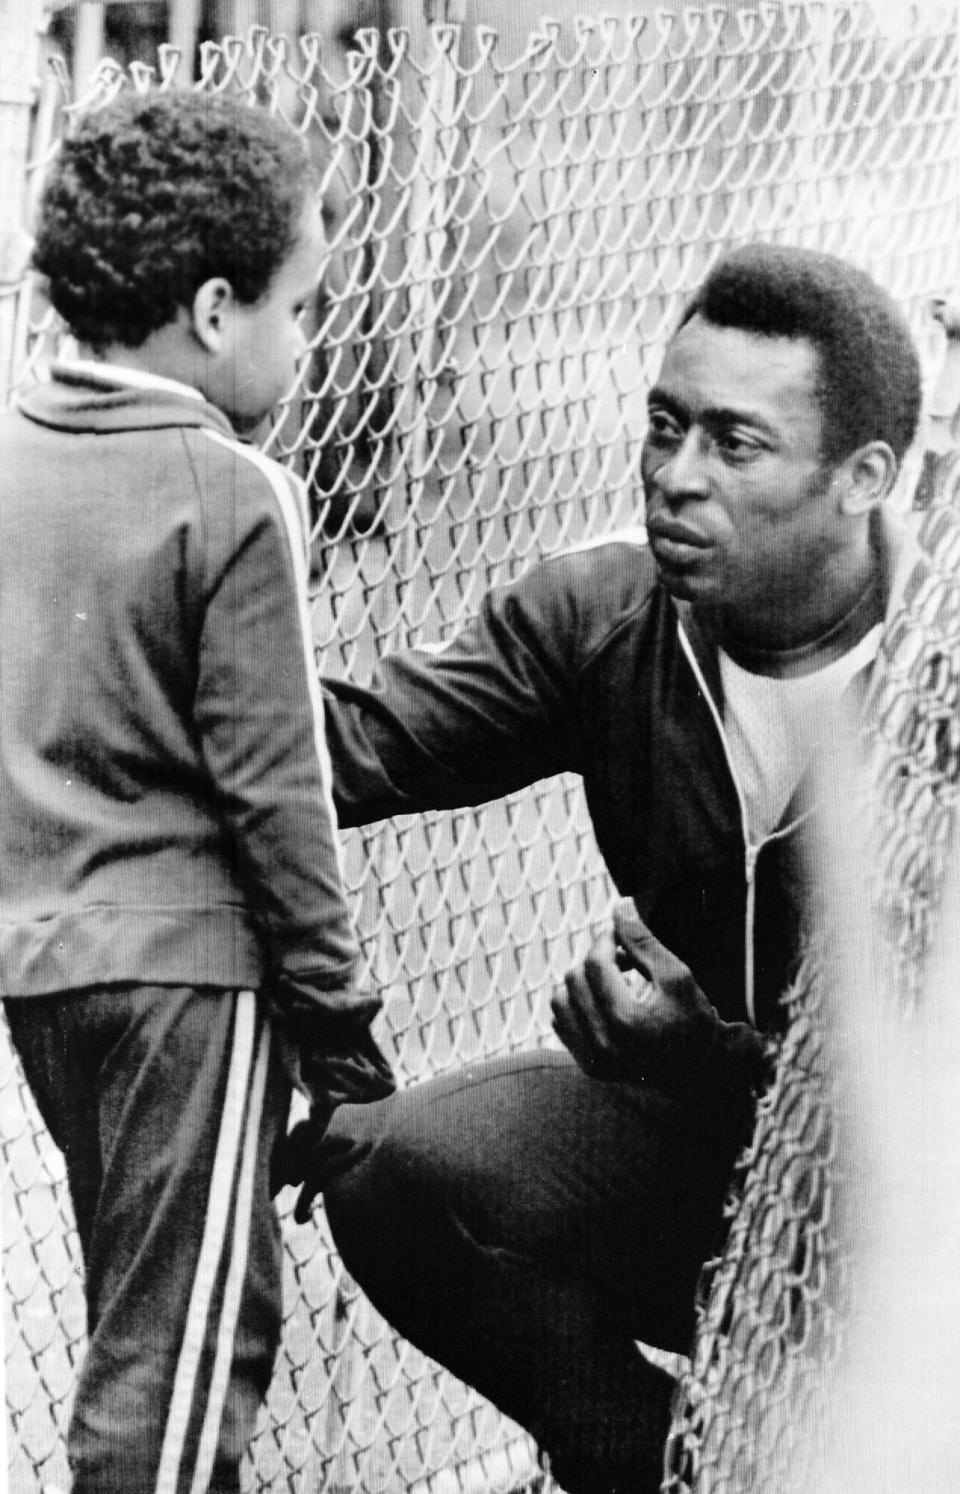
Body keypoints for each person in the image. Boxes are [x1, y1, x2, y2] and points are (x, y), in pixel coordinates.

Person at [280, 243, 926, 1493]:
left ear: (863, 479)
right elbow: (340, 749)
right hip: (719, 1162)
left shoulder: (936, 687)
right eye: (664, 425)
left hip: (916, 1219)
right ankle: (666, 1474)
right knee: (392, 1169)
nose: (676, 479)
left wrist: (721, 1065)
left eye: (737, 445)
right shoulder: (605, 621)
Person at [0, 91, 394, 1494]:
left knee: (143, 1309)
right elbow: (278, 792)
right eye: (303, 306)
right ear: (216, 308)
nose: (312, 340)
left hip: (45, 975)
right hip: (198, 988)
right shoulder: (229, 492)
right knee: (182, 1364)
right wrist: (337, 1015)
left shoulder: (14, 455)